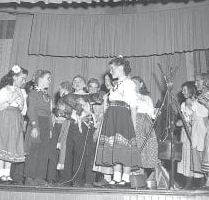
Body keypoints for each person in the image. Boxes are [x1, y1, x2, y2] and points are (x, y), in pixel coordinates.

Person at [95, 57, 142, 187]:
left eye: (112, 68)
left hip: (122, 117)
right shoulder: (117, 84)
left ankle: (126, 179)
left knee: (124, 146)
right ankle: (116, 177)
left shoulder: (129, 83)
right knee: (115, 147)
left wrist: (133, 124)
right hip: (112, 118)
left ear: (121, 67)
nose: (111, 71)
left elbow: (133, 105)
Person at [59, 75, 97, 187]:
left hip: (83, 127)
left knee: (79, 154)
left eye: (79, 81)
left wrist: (85, 114)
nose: (76, 83)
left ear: (84, 84)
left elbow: (92, 113)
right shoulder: (68, 96)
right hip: (71, 125)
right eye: (74, 81)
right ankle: (66, 179)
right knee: (68, 153)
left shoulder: (89, 97)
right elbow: (62, 111)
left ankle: (77, 179)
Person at [0, 65, 28, 183]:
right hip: (5, 117)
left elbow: (23, 111)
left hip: (16, 118)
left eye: (25, 79)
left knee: (12, 144)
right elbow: (0, 107)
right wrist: (11, 98)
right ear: (14, 77)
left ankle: (7, 174)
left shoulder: (21, 91)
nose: (24, 81)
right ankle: (1, 173)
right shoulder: (5, 89)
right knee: (3, 142)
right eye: (22, 78)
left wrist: (22, 101)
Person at [24, 70, 57, 186]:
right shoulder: (33, 93)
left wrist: (51, 130)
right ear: (41, 79)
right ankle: (29, 177)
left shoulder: (47, 95)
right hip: (36, 122)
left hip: (46, 124)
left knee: (44, 152)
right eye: (48, 78)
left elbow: (49, 114)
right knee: (33, 151)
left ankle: (39, 177)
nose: (50, 81)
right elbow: (30, 110)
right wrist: (34, 126)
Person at [176, 81, 208, 189]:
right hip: (185, 134)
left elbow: (200, 116)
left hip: (196, 133)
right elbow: (183, 119)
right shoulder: (183, 104)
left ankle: (201, 181)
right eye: (182, 90)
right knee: (186, 157)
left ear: (190, 90)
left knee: (196, 156)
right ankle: (188, 181)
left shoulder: (198, 102)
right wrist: (180, 122)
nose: (183, 92)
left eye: (185, 90)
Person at [131, 76, 158, 171]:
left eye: (135, 83)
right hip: (133, 122)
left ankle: (142, 175)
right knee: (135, 146)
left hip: (146, 124)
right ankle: (132, 175)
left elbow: (151, 114)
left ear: (141, 84)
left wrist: (156, 113)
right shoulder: (129, 96)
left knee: (146, 147)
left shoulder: (147, 98)